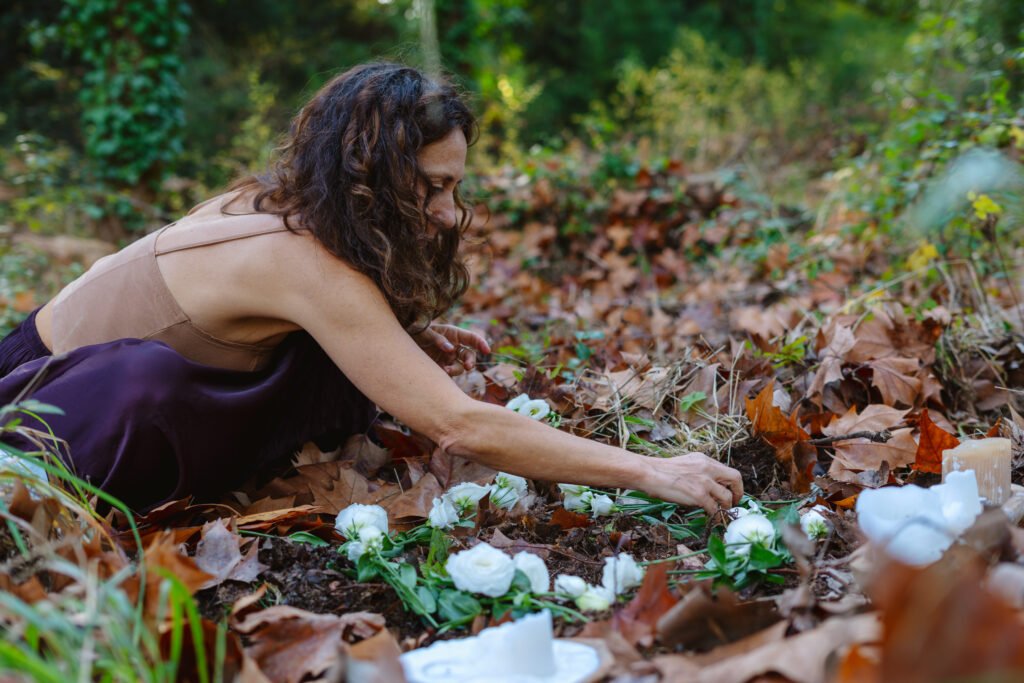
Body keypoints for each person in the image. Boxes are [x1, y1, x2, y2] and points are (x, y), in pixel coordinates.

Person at [0, 62, 743, 514]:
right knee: (190, 376)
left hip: (55, 373)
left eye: (455, 188)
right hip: (39, 403)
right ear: (371, 176)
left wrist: (400, 336)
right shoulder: (297, 257)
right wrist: (650, 469)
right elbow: (459, 424)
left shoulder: (284, 207)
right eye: (432, 187)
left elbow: (238, 316)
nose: (448, 214)